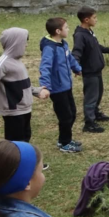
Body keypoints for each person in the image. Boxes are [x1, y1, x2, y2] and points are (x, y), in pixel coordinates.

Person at [0, 28, 45, 141]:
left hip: (25, 109)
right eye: (24, 42)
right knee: (15, 142)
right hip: (13, 112)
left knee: (25, 137)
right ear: (15, 43)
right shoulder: (3, 63)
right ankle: (13, 159)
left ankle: (24, 158)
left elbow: (23, 84)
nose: (26, 45)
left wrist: (37, 91)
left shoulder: (17, 62)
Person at [39, 17, 83, 153]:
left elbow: (69, 58)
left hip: (66, 86)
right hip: (57, 89)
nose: (68, 29)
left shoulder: (62, 44)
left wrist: (77, 68)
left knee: (72, 113)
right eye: (66, 27)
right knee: (65, 116)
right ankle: (65, 143)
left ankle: (64, 139)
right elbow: (45, 67)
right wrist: (45, 86)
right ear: (58, 31)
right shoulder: (49, 48)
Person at [72, 7, 109, 134]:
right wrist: (76, 67)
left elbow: (96, 46)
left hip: (97, 71)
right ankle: (89, 123)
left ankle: (95, 113)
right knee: (91, 97)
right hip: (90, 72)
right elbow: (77, 52)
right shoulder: (80, 35)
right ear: (86, 19)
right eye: (94, 18)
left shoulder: (89, 32)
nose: (96, 20)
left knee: (98, 93)